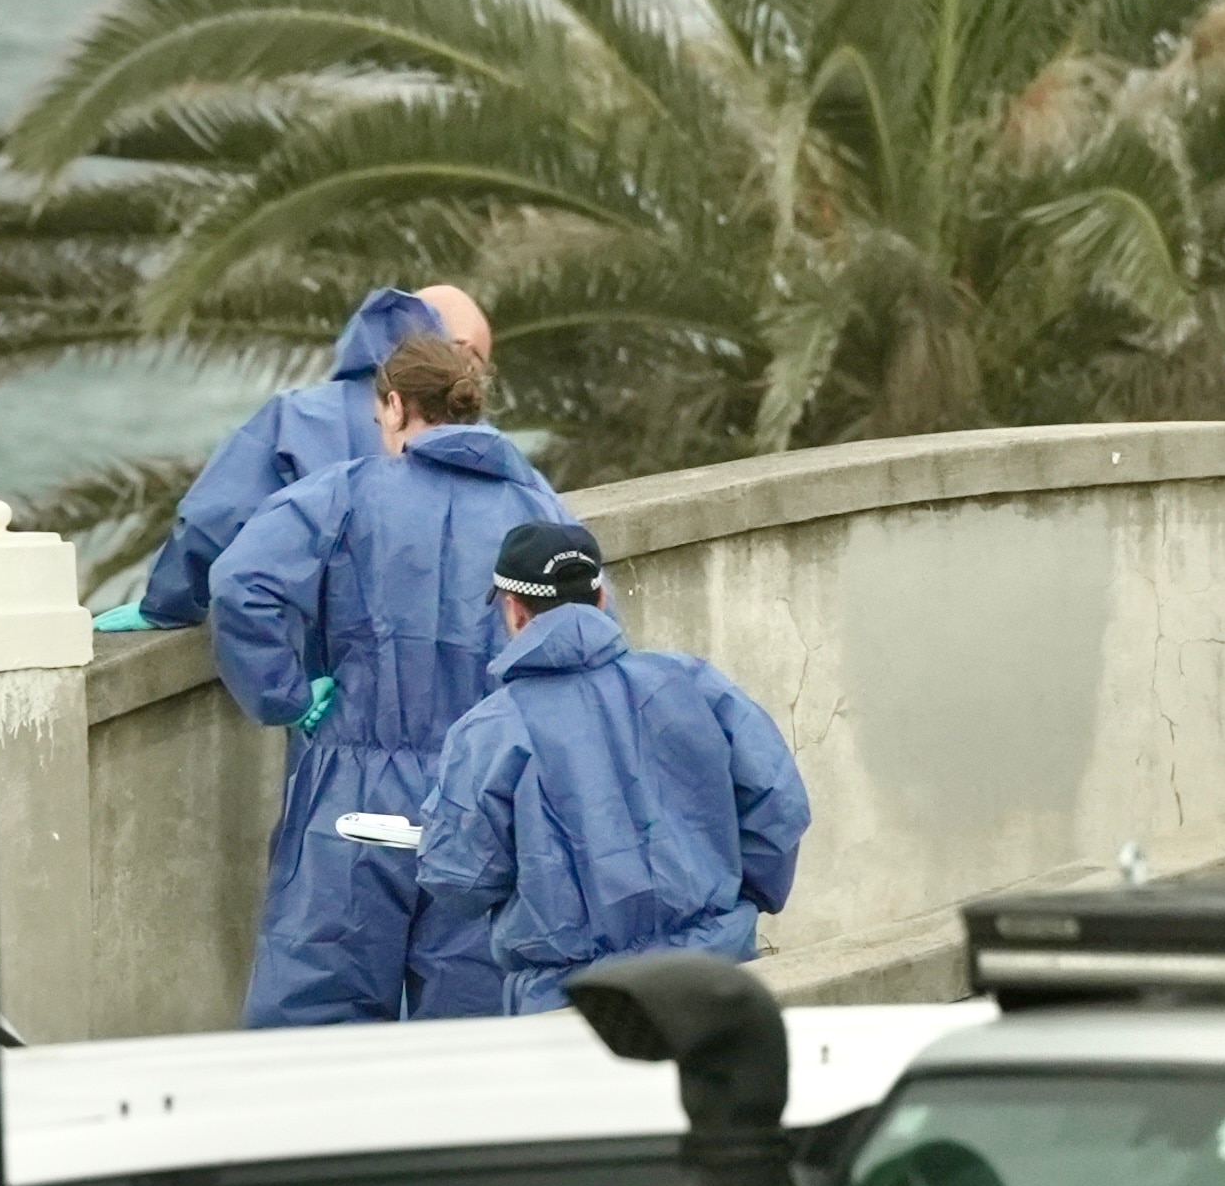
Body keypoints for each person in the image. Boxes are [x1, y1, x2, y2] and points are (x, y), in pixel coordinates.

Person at [209, 336, 570, 1026]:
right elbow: (583, 637)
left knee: (318, 1018)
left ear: (397, 405)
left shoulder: (342, 493)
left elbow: (239, 583)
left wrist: (285, 696)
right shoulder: (540, 512)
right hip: (490, 795)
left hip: (355, 798)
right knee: (476, 1023)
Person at [417, 522, 811, 1015]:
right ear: (601, 598)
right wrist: (727, 907)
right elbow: (778, 803)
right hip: (714, 978)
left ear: (515, 611)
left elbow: (458, 878)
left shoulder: (489, 731)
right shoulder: (693, 683)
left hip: (572, 1004)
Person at [93, 284, 493, 632]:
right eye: (479, 363)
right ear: (462, 354)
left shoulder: (297, 417)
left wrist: (167, 605)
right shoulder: (487, 452)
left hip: (323, 665)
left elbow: (216, 517)